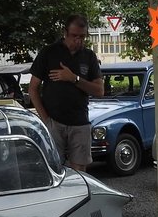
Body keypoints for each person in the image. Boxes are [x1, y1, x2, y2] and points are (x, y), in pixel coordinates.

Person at [29, 14, 103, 172]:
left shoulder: (88, 56)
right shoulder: (49, 52)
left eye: (82, 37)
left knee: (80, 174)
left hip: (80, 122)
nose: (78, 40)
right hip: (54, 122)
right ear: (65, 32)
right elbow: (33, 88)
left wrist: (73, 78)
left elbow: (99, 91)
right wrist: (46, 120)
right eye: (74, 36)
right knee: (54, 170)